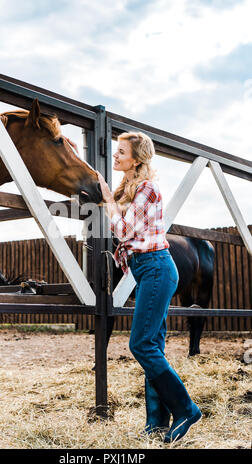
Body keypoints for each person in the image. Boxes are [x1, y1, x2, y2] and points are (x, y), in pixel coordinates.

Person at [96, 131, 202, 444]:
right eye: (116, 151)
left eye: (121, 152)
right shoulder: (130, 189)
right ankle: (156, 421)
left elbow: (125, 230)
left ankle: (186, 408)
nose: (116, 156)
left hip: (157, 268)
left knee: (140, 344)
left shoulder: (147, 188)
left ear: (137, 159)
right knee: (152, 346)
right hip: (147, 271)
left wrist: (107, 201)